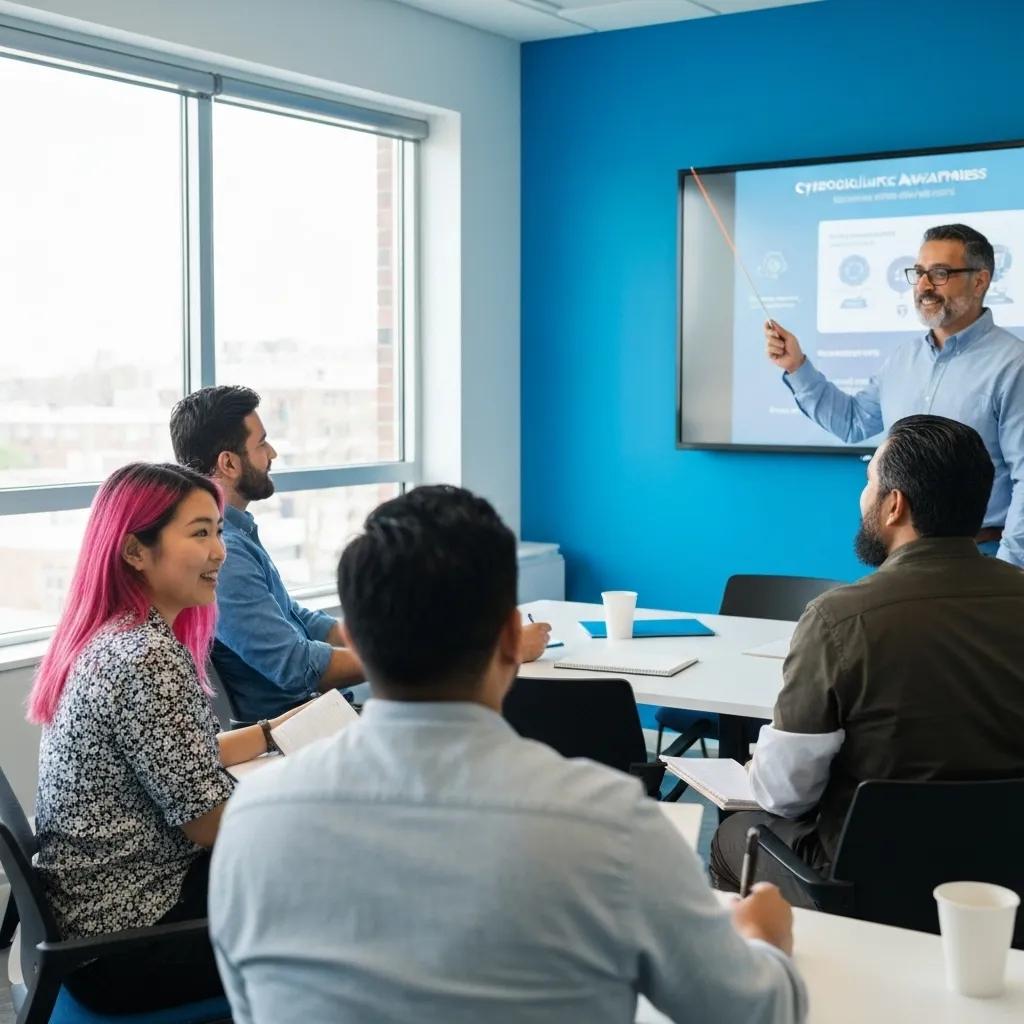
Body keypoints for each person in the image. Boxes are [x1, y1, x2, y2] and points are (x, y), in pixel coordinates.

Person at [209, 485, 807, 1024]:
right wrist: (764, 942)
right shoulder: (611, 825)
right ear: (508, 640)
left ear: (358, 641)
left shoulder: (255, 818)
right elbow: (753, 1012)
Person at [711, 415, 1024, 905]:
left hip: (864, 878)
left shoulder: (838, 618)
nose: (863, 498)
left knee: (733, 835)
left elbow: (784, 794)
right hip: (1007, 876)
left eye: (869, 483)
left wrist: (759, 766)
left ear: (894, 504)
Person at [27, 463, 295, 1014]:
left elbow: (179, 756)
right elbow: (209, 824)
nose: (220, 550)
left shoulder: (118, 636)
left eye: (219, 530)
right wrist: (309, 801)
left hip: (106, 907)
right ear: (135, 552)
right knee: (340, 898)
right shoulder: (145, 658)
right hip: (131, 940)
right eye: (200, 533)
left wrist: (274, 734)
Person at [170, 386, 551, 721]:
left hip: (321, 714)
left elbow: (300, 619)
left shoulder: (238, 533)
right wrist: (437, 651)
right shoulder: (227, 553)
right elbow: (296, 666)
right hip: (296, 729)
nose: (273, 452)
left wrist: (392, 633)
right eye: (262, 443)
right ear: (229, 462)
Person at [766, 223, 1024, 566]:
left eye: (940, 273)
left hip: (979, 556)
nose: (923, 286)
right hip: (901, 558)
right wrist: (796, 366)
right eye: (918, 273)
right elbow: (853, 422)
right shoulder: (902, 359)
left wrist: (1008, 569)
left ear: (980, 280)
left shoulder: (1013, 364)